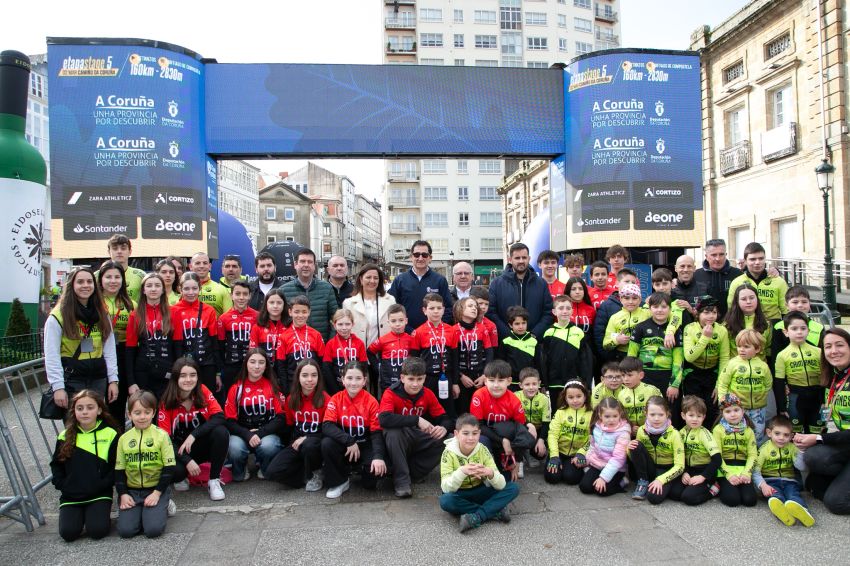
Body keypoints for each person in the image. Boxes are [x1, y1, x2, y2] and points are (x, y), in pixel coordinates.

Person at [44, 267, 119, 411]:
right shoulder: (57, 316)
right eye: (80, 282)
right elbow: (51, 355)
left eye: (89, 281)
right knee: (74, 426)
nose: (86, 285)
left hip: (98, 378)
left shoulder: (102, 313)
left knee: (96, 423)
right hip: (73, 380)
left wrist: (113, 380)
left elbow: (109, 350)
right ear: (71, 285)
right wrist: (57, 387)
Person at [794, 328, 850, 515]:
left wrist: (818, 438)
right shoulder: (835, 376)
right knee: (813, 480)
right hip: (845, 443)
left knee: (836, 503)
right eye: (828, 346)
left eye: (840, 345)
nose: (834, 351)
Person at [50, 390, 119, 542]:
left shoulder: (110, 434)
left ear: (99, 410)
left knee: (97, 531)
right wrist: (63, 485)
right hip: (71, 495)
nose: (85, 412)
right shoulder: (64, 435)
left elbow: (116, 467)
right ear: (74, 412)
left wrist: (102, 484)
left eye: (90, 407)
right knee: (68, 534)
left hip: (98, 493)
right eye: (80, 408)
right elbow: (56, 465)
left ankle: (94, 515)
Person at [159, 358, 230, 501]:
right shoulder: (166, 401)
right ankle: (184, 475)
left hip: (199, 444)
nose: (188, 379)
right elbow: (164, 440)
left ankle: (214, 480)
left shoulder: (202, 390)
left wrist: (193, 435)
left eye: (193, 375)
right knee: (176, 472)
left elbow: (220, 417)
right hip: (179, 450)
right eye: (183, 375)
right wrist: (187, 461)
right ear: (175, 378)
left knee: (221, 432)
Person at [379, 357, 451, 498]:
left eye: (419, 379)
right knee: (393, 432)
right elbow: (384, 419)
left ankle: (414, 473)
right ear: (402, 378)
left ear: (424, 378)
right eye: (411, 379)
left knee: (448, 440)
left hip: (417, 438)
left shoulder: (427, 393)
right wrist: (416, 420)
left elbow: (445, 418)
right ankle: (401, 481)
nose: (415, 384)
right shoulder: (391, 393)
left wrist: (444, 428)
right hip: (397, 440)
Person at [439, 413, 520, 533]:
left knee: (513, 488)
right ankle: (493, 512)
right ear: (456, 434)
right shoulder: (448, 453)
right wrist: (462, 472)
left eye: (475, 433)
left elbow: (501, 484)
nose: (471, 438)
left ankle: (476, 517)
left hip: (480, 489)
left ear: (479, 434)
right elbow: (445, 487)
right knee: (445, 501)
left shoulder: (483, 449)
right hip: (460, 494)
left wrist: (490, 473)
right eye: (465, 433)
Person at [116, 390, 177, 538]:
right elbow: (119, 470)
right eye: (137, 413)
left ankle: (164, 502)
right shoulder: (123, 439)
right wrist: (123, 494)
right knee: (126, 531)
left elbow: (169, 468)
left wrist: (157, 493)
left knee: (152, 530)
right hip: (132, 491)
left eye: (147, 412)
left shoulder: (162, 436)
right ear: (129, 414)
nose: (142, 417)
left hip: (155, 489)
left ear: (153, 413)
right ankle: (141, 512)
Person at [321, 361, 387, 499]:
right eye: (349, 378)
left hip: (365, 444)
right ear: (343, 379)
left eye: (358, 378)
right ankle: (339, 481)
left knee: (370, 483)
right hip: (345, 445)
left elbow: (376, 433)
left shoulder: (372, 401)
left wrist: (378, 457)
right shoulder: (336, 399)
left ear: (364, 381)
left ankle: (359, 469)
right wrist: (349, 441)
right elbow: (327, 425)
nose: (353, 382)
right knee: (327, 443)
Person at [265, 359, 330, 491]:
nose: (310, 379)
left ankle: (316, 472)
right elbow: (290, 425)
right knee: (271, 472)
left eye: (314, 375)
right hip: (297, 444)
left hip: (317, 443)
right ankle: (304, 476)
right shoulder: (291, 399)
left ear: (319, 377)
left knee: (309, 445)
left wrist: (308, 437)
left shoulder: (326, 399)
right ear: (298, 377)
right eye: (305, 375)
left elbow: (330, 430)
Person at [224, 349, 285, 481]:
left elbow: (280, 418)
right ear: (246, 364)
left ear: (266, 366)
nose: (257, 366)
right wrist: (247, 434)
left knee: (269, 446)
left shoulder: (272, 386)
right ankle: (240, 470)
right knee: (234, 447)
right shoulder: (236, 388)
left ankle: (265, 467)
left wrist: (260, 433)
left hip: (266, 433)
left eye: (261, 362)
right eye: (252, 362)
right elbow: (229, 421)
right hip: (242, 434)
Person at [470, 360, 535, 481]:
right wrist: (502, 440)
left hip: (506, 442)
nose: (496, 385)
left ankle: (511, 461)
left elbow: (519, 432)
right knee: (478, 438)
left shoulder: (514, 400)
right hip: (489, 437)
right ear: (485, 381)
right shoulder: (479, 395)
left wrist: (518, 460)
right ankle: (482, 467)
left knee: (506, 479)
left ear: (509, 381)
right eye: (491, 380)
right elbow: (478, 426)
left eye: (500, 380)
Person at [627, 292, 684, 421]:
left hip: (667, 376)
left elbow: (678, 360)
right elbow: (631, 357)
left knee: (670, 413)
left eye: (664, 307)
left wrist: (674, 384)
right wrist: (633, 378)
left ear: (670, 309)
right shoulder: (640, 327)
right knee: (647, 411)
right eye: (656, 306)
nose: (660, 310)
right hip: (645, 375)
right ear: (650, 308)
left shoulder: (676, 330)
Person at [754, 415, 814, 527]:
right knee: (775, 496)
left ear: (791, 436)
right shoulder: (764, 449)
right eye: (777, 433)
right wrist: (763, 485)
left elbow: (801, 467)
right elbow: (755, 471)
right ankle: (782, 513)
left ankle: (804, 511)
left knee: (793, 495)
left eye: (786, 435)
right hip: (770, 481)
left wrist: (800, 451)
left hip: (789, 480)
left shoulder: (792, 448)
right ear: (769, 433)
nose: (781, 438)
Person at [716, 329, 772, 445]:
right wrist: (723, 401)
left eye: (746, 347)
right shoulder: (732, 364)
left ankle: (755, 456)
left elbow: (768, 384)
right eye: (739, 346)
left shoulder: (763, 366)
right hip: (738, 408)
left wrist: (760, 396)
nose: (741, 349)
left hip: (758, 408)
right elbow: (723, 383)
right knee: (737, 433)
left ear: (757, 349)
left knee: (757, 432)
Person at [488, 243, 553, 340]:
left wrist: (535, 334)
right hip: (507, 344)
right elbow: (491, 313)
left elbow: (548, 312)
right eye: (517, 258)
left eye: (524, 257)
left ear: (529, 258)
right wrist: (508, 334)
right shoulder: (497, 284)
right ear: (510, 259)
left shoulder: (541, 283)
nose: (521, 261)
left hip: (534, 343)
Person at [98, 260, 136, 423]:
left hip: (126, 356)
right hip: (101, 356)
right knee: (109, 406)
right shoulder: (95, 303)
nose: (113, 281)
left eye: (117, 277)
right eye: (108, 277)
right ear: (100, 280)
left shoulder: (131, 304)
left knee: (129, 402)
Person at [681, 296, 729, 426]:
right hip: (693, 373)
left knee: (711, 408)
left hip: (712, 374)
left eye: (714, 312)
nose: (711, 316)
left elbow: (724, 358)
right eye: (706, 312)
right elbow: (689, 357)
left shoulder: (721, 330)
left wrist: (719, 384)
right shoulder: (690, 328)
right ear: (698, 313)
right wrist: (705, 338)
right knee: (693, 408)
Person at [126, 273, 174, 400]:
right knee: (145, 410)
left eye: (157, 285)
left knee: (165, 411)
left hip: (166, 370)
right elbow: (130, 350)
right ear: (143, 290)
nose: (153, 289)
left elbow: (177, 346)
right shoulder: (134, 315)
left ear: (163, 289)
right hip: (143, 371)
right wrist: (131, 382)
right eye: (149, 286)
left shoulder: (173, 312)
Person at [628, 396, 685, 503]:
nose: (656, 418)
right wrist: (629, 448)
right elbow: (636, 457)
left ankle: (664, 485)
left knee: (654, 498)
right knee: (635, 445)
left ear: (667, 414)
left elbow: (680, 466)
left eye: (661, 414)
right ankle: (643, 481)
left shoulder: (675, 434)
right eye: (652, 414)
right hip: (651, 469)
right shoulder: (641, 430)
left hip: (667, 470)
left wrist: (661, 480)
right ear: (646, 414)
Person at [774, 311, 823, 434]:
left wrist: (825, 400)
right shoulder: (782, 355)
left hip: (817, 397)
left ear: (808, 330)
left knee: (816, 432)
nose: (799, 332)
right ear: (786, 332)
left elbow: (825, 377)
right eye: (794, 328)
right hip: (796, 397)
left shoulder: (818, 352)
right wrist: (781, 406)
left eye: (803, 328)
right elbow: (779, 382)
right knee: (795, 434)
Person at [388, 241, 453, 332]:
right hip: (406, 335)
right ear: (411, 257)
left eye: (424, 255)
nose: (420, 258)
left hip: (432, 336)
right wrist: (407, 329)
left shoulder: (440, 280)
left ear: (430, 258)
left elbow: (448, 308)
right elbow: (392, 308)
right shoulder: (400, 280)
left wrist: (436, 328)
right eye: (416, 254)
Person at [170, 272, 220, 394]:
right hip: (183, 365)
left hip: (207, 364)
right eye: (186, 289)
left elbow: (214, 343)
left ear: (200, 288)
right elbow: (173, 343)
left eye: (194, 288)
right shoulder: (173, 310)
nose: (191, 292)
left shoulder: (209, 310)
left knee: (207, 400)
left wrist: (217, 373)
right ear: (179, 289)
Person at [410, 293, 458, 415]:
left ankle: (448, 431)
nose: (435, 311)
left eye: (439, 308)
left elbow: (455, 359)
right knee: (429, 410)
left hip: (447, 376)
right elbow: (415, 361)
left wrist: (456, 383)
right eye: (431, 308)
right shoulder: (418, 332)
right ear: (424, 310)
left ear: (443, 310)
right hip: (428, 378)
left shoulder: (451, 330)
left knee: (448, 410)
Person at [671, 396, 721, 506]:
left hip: (704, 471)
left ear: (704, 417)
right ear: (683, 415)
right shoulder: (681, 432)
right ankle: (692, 487)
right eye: (691, 415)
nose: (695, 419)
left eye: (699, 416)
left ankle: (712, 490)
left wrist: (702, 477)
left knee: (688, 498)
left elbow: (717, 460)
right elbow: (679, 455)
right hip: (689, 470)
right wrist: (684, 472)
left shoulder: (705, 434)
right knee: (674, 493)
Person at [578, 397, 631, 497]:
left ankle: (622, 481)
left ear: (620, 414)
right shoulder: (597, 427)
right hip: (598, 464)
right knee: (585, 487)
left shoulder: (623, 432)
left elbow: (618, 459)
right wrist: (587, 461)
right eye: (607, 416)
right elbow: (593, 447)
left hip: (616, 469)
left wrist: (603, 478)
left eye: (615, 416)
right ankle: (595, 476)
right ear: (600, 415)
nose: (611, 420)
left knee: (601, 491)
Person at [282, 248, 339, 341]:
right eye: (302, 261)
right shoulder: (284, 290)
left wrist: (330, 343)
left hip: (321, 347)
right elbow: (281, 321)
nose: (306, 265)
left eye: (309, 262)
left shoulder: (327, 288)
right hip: (293, 348)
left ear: (314, 266)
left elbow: (335, 318)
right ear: (295, 265)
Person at [217, 281, 259, 406]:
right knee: (231, 398)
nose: (241, 297)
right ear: (231, 295)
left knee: (251, 397)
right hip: (231, 366)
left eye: (245, 294)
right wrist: (219, 372)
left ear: (250, 296)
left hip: (251, 365)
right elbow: (219, 347)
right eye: (238, 294)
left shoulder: (257, 316)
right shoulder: (223, 318)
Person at [712, 394, 758, 508]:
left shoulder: (749, 431)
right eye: (728, 411)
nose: (733, 414)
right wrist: (729, 475)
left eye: (736, 410)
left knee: (750, 500)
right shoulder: (718, 430)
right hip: (725, 469)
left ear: (743, 411)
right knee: (733, 500)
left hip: (743, 469)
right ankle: (718, 484)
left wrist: (747, 473)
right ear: (722, 413)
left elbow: (752, 455)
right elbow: (717, 456)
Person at [541, 295, 593, 391]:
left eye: (568, 308)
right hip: (554, 383)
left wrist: (585, 381)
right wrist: (545, 382)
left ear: (572, 311)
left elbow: (585, 360)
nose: (565, 311)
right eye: (561, 308)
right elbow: (544, 360)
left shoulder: (578, 332)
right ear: (554, 312)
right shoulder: (549, 333)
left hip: (574, 382)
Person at [727, 242, 788, 322]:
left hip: (773, 326)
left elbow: (786, 310)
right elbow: (732, 309)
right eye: (752, 259)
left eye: (761, 258)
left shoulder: (779, 281)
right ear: (745, 261)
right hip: (745, 327)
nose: (757, 262)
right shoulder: (737, 282)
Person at [545, 381, 591, 485]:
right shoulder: (560, 412)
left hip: (576, 455)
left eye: (579, 396)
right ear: (565, 398)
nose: (575, 400)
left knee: (571, 479)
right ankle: (559, 463)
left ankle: (583, 467)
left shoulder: (591, 414)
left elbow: (593, 438)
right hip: (559, 452)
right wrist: (554, 456)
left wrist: (582, 453)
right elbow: (552, 435)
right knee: (552, 478)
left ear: (585, 396)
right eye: (570, 397)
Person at [769, 286, 825, 372]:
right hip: (789, 376)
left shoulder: (818, 327)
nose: (800, 305)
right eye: (795, 302)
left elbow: (823, 356)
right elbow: (775, 356)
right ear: (787, 305)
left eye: (804, 302)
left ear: (809, 304)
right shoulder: (779, 327)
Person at [276, 295, 325, 393]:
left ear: (309, 312)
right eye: (296, 312)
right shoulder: (283, 337)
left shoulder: (316, 335)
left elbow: (322, 363)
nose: (300, 315)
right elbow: (281, 367)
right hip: (292, 384)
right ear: (290, 312)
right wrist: (285, 390)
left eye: (304, 312)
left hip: (312, 383)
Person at [454, 297, 494, 414]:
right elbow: (453, 358)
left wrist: (484, 375)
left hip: (479, 376)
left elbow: (489, 353)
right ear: (460, 309)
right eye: (470, 306)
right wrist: (460, 376)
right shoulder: (453, 330)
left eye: (475, 307)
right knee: (463, 410)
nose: (474, 309)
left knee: (480, 409)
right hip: (462, 377)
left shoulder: (482, 328)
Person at [343, 263, 396, 349]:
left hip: (384, 353)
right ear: (361, 279)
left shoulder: (390, 301)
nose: (372, 281)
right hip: (358, 353)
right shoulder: (349, 303)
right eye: (368, 277)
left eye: (376, 278)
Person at [593, 268, 639, 360]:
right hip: (616, 359)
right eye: (626, 281)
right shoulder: (606, 306)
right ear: (617, 283)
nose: (630, 284)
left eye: (633, 282)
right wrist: (610, 359)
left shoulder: (642, 306)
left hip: (639, 359)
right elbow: (599, 335)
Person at [368, 304, 414, 393]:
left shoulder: (411, 339)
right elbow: (369, 352)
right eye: (393, 321)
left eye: (401, 320)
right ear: (388, 322)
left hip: (407, 382)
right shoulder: (383, 340)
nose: (397, 324)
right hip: (387, 382)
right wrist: (378, 367)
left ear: (406, 321)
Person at [693, 238, 743, 319]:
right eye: (714, 255)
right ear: (706, 256)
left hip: (732, 324)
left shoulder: (738, 275)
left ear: (726, 254)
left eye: (721, 254)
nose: (718, 258)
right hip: (704, 325)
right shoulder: (696, 275)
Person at [322, 309, 368, 394]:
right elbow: (327, 370)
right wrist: (335, 391)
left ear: (353, 324)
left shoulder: (359, 343)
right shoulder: (330, 344)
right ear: (334, 325)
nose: (344, 328)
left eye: (347, 324)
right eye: (340, 324)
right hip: (337, 388)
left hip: (356, 387)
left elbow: (364, 368)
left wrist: (360, 387)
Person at [602, 283, 649, 363]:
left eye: (634, 298)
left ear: (640, 299)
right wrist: (617, 340)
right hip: (622, 357)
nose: (630, 301)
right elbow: (606, 345)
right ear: (621, 299)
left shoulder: (648, 313)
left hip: (645, 354)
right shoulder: (614, 317)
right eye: (627, 298)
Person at [724, 283, 771, 360]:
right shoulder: (728, 324)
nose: (748, 302)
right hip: (735, 368)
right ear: (737, 301)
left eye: (752, 298)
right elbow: (724, 353)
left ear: (757, 299)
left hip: (759, 368)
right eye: (743, 299)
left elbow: (768, 349)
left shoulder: (767, 323)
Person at [498, 306, 541, 391]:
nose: (521, 326)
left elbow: (538, 364)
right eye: (517, 324)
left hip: (529, 384)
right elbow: (501, 364)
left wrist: (541, 384)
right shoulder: (506, 341)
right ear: (510, 325)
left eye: (523, 323)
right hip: (511, 384)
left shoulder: (534, 341)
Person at [617, 357, 662, 435]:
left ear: (641, 375)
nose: (625, 379)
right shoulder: (621, 394)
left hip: (652, 432)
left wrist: (646, 428)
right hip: (630, 433)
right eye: (623, 375)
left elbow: (662, 412)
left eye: (629, 375)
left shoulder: (652, 390)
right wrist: (630, 426)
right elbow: (620, 416)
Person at [515, 368, 550, 466]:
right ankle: (519, 460)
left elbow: (546, 422)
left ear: (539, 384)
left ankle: (529, 453)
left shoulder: (544, 399)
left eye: (534, 384)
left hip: (537, 431)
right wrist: (529, 426)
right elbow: (514, 418)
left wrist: (541, 440)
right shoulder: (515, 397)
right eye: (527, 384)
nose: (531, 387)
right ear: (520, 385)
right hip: (521, 428)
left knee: (541, 454)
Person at [249, 289, 289, 365]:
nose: (275, 306)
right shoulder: (257, 327)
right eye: (271, 302)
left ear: (284, 305)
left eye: (279, 303)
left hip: (284, 368)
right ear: (266, 304)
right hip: (264, 368)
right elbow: (253, 353)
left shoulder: (290, 326)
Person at [103, 234, 147, 302]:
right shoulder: (97, 276)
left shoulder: (141, 275)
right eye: (115, 248)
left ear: (130, 252)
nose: (119, 251)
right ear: (109, 252)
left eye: (123, 248)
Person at [189, 252, 232, 317]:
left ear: (210, 266)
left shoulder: (222, 290)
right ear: (190, 266)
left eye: (205, 263)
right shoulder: (184, 290)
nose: (201, 266)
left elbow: (229, 318)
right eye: (197, 263)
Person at [671, 255, 707, 320]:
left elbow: (709, 316)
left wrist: (691, 310)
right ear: (675, 268)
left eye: (689, 266)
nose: (686, 270)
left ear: (694, 268)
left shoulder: (704, 289)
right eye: (682, 266)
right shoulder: (668, 289)